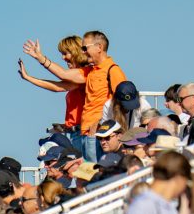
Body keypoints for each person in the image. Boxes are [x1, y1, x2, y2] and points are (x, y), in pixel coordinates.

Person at [24, 31, 126, 161]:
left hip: (96, 133)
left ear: (99, 47)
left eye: (85, 48)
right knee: (86, 175)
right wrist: (38, 62)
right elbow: (63, 78)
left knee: (94, 172)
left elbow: (61, 83)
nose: (83, 52)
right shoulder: (91, 71)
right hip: (82, 133)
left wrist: (40, 60)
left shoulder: (107, 70)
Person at [19, 35, 87, 134]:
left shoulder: (87, 72)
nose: (63, 58)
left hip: (86, 135)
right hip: (75, 134)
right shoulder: (76, 79)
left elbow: (62, 75)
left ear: (75, 52)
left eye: (65, 53)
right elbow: (58, 86)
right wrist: (28, 78)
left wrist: (41, 58)